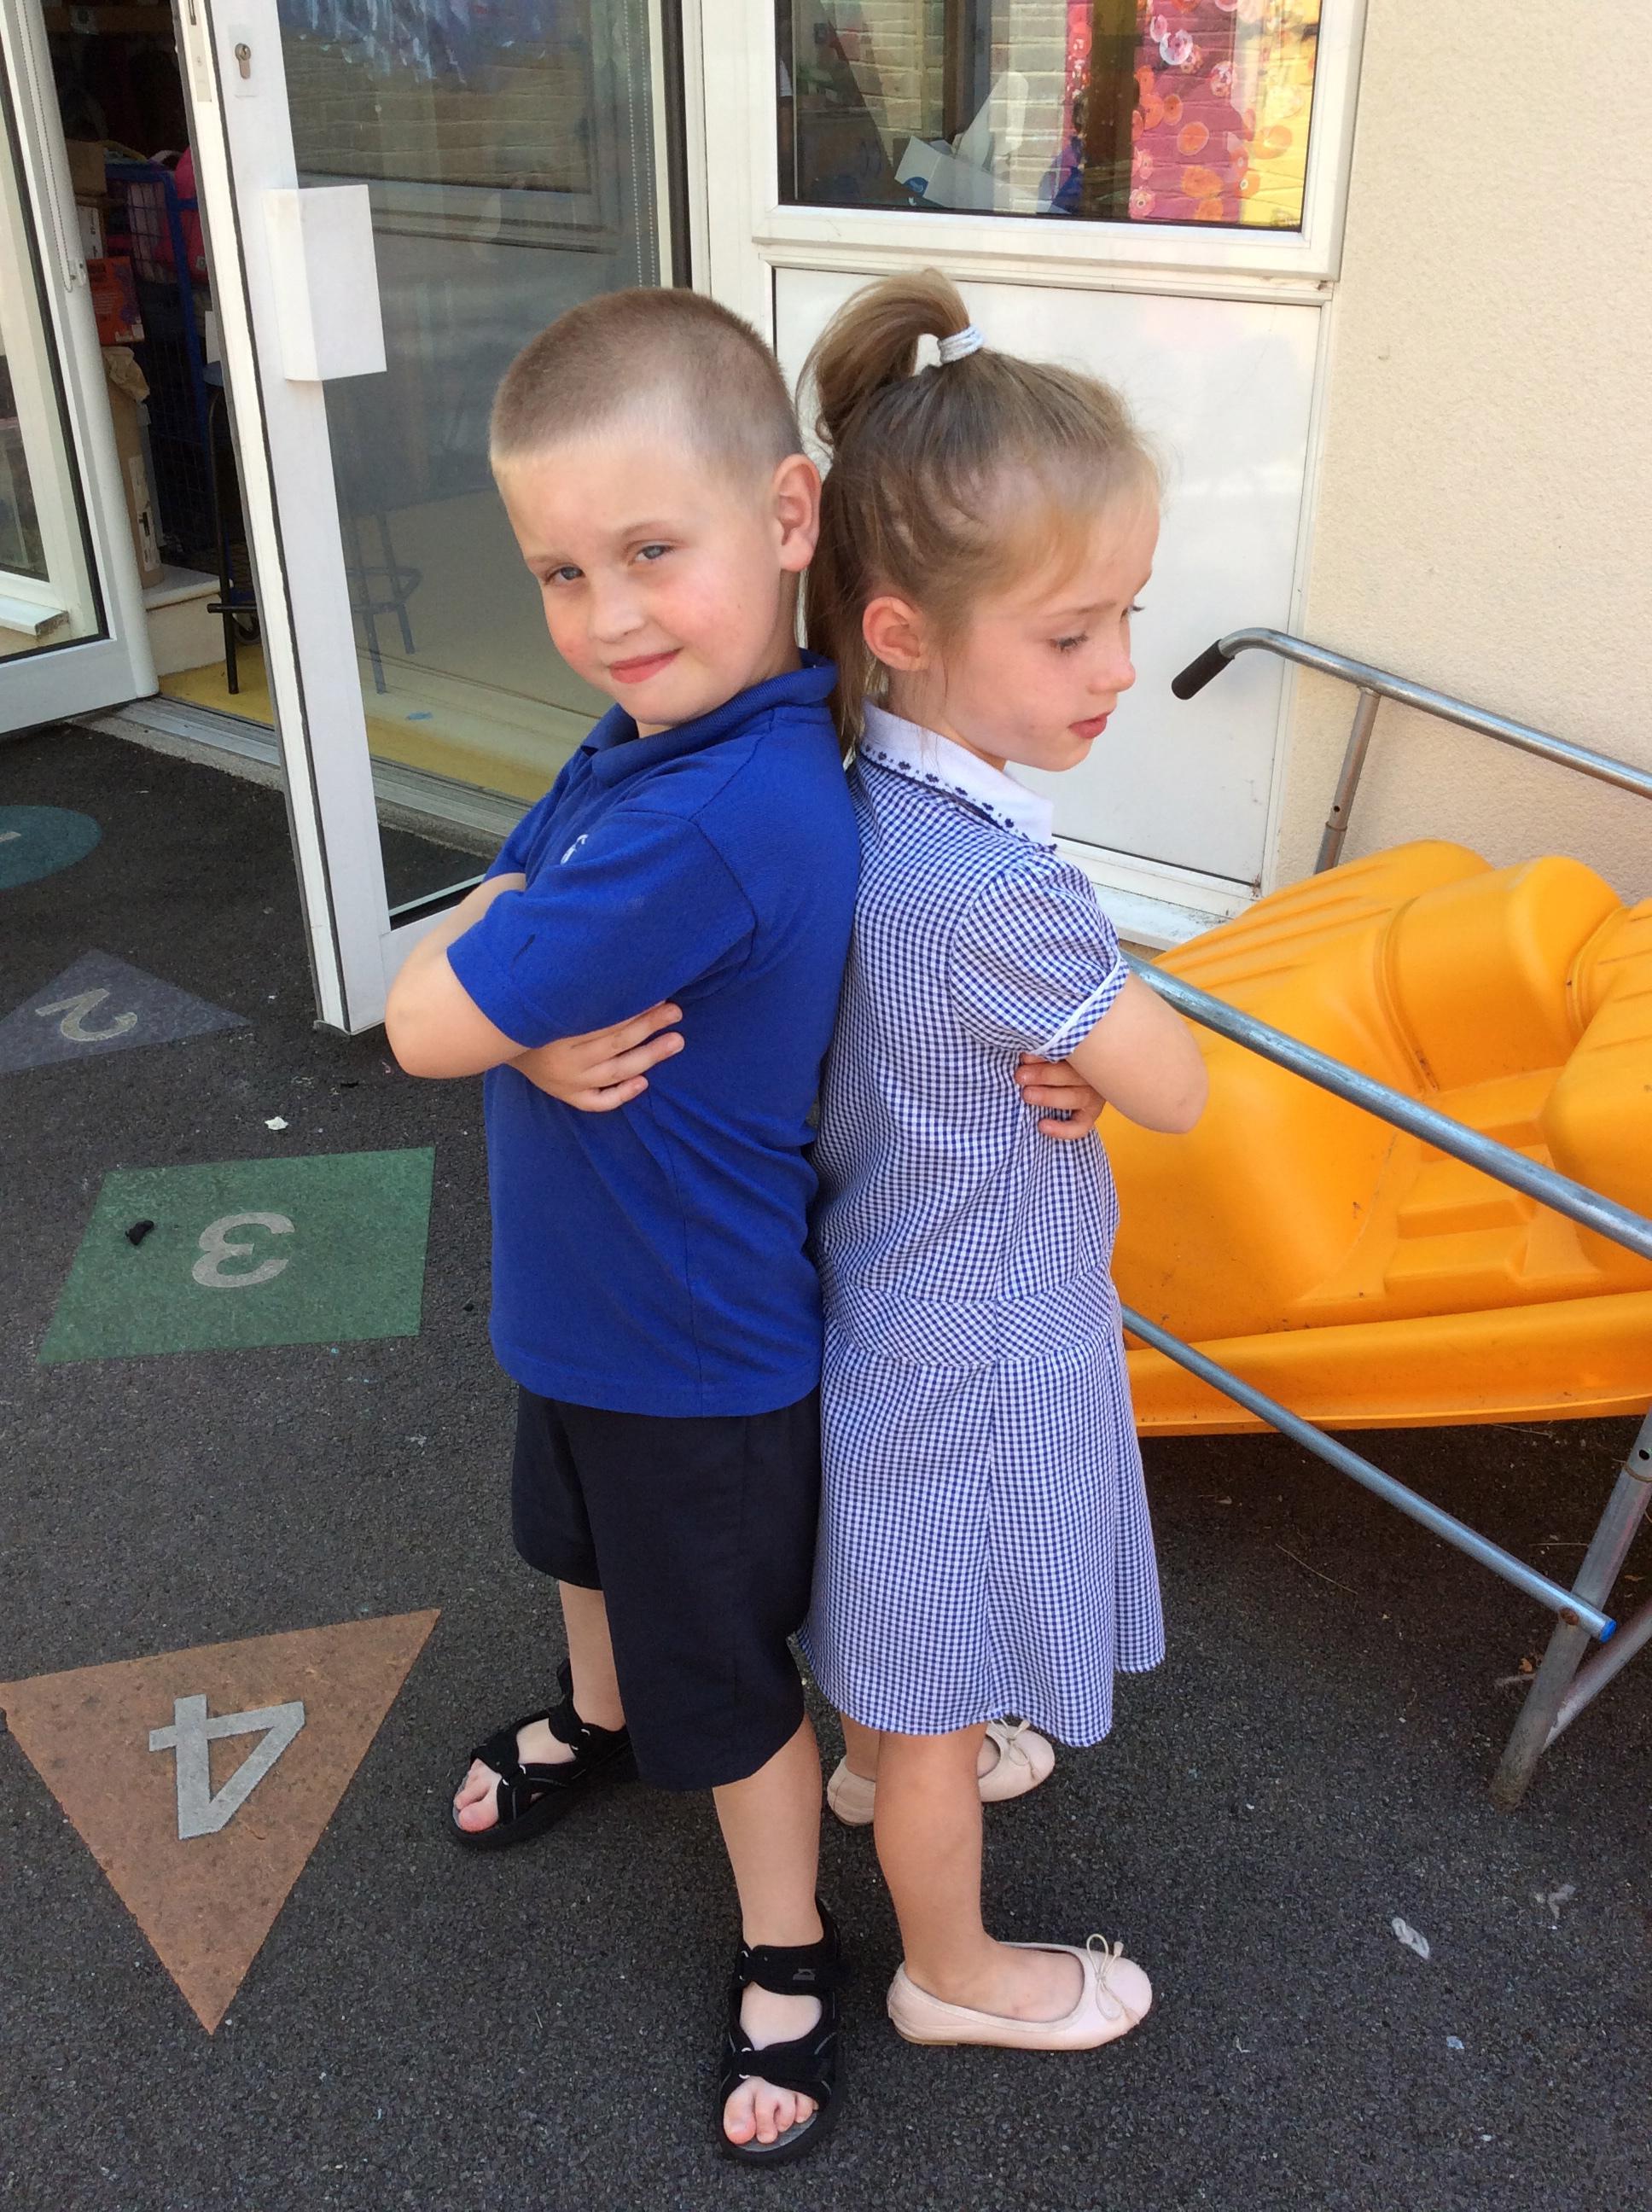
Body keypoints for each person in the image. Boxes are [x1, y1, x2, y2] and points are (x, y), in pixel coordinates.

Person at [384, 288, 859, 2165]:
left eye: (652, 552)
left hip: (692, 1354)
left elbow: (418, 1019)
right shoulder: (647, 743)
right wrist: (516, 1000)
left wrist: (490, 999)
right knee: (571, 1548)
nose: (609, 617)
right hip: (593, 1317)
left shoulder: (713, 812)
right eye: (561, 573)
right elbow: (503, 909)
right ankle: (594, 1720)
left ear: (789, 514)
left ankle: (789, 1942)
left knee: (726, 1682)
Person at [797, 270, 1208, 2053]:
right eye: (1069, 633)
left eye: (1127, 617)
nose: (1117, 668)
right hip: (976, 1340)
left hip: (892, 1292)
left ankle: (881, 1753)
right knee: (935, 1676)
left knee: (905, 1622)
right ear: (902, 631)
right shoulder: (999, 891)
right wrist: (1109, 1054)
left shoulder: (855, 796)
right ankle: (950, 1969)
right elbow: (1177, 1084)